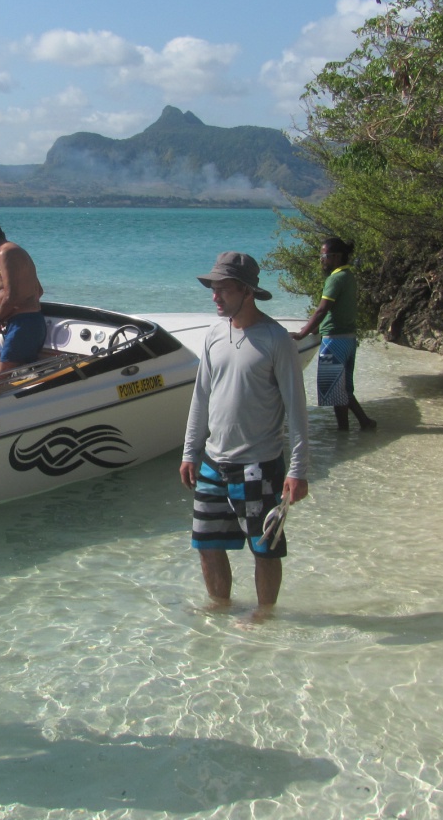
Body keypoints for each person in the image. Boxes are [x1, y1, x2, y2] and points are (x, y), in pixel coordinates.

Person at [180, 252, 309, 620]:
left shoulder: (276, 340)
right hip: (212, 462)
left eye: (223, 289)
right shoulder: (214, 334)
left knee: (264, 547)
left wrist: (298, 471)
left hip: (259, 465)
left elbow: (298, 412)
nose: (214, 296)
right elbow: (201, 397)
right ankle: (221, 607)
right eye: (213, 289)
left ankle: (265, 615)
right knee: (207, 544)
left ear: (247, 291)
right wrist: (190, 452)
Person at [289, 237, 376, 431]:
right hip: (348, 339)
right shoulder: (348, 276)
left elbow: (322, 310)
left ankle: (352, 427)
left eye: (324, 255)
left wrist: (302, 333)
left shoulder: (336, 278)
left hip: (335, 340)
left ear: (336, 257)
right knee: (342, 388)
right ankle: (359, 425)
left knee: (336, 389)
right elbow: (336, 309)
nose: (321, 259)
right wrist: (315, 328)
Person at [0, 219, 46, 375]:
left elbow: (11, 295)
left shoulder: (5, 252)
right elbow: (38, 291)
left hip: (22, 325)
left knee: (1, 377)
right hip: (31, 322)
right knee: (18, 375)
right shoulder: (17, 251)